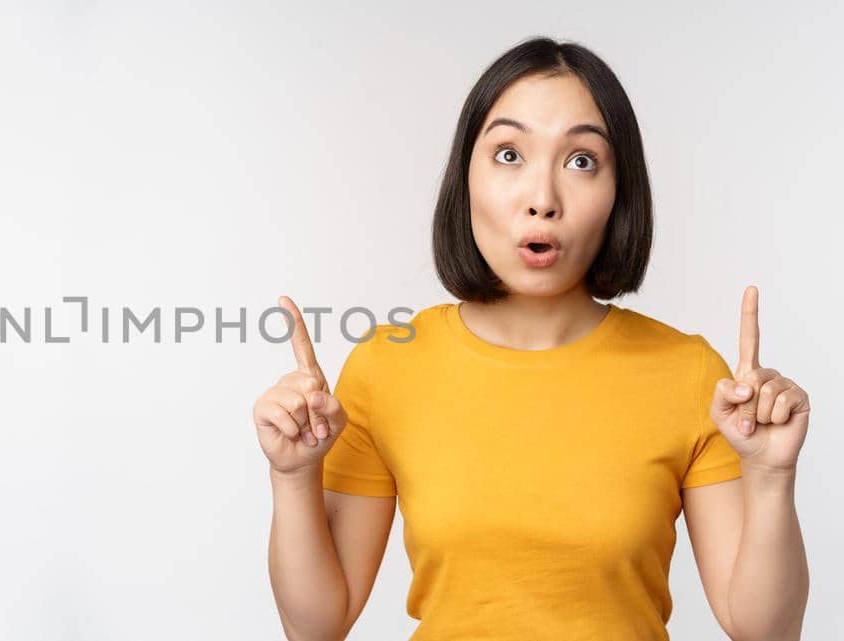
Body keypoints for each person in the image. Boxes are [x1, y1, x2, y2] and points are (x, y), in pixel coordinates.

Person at [255, 37, 810, 641]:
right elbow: (316, 628)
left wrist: (771, 477)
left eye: (581, 161)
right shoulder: (386, 368)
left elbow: (764, 633)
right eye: (509, 154)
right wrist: (292, 477)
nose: (542, 200)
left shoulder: (691, 374)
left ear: (619, 193)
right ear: (465, 176)